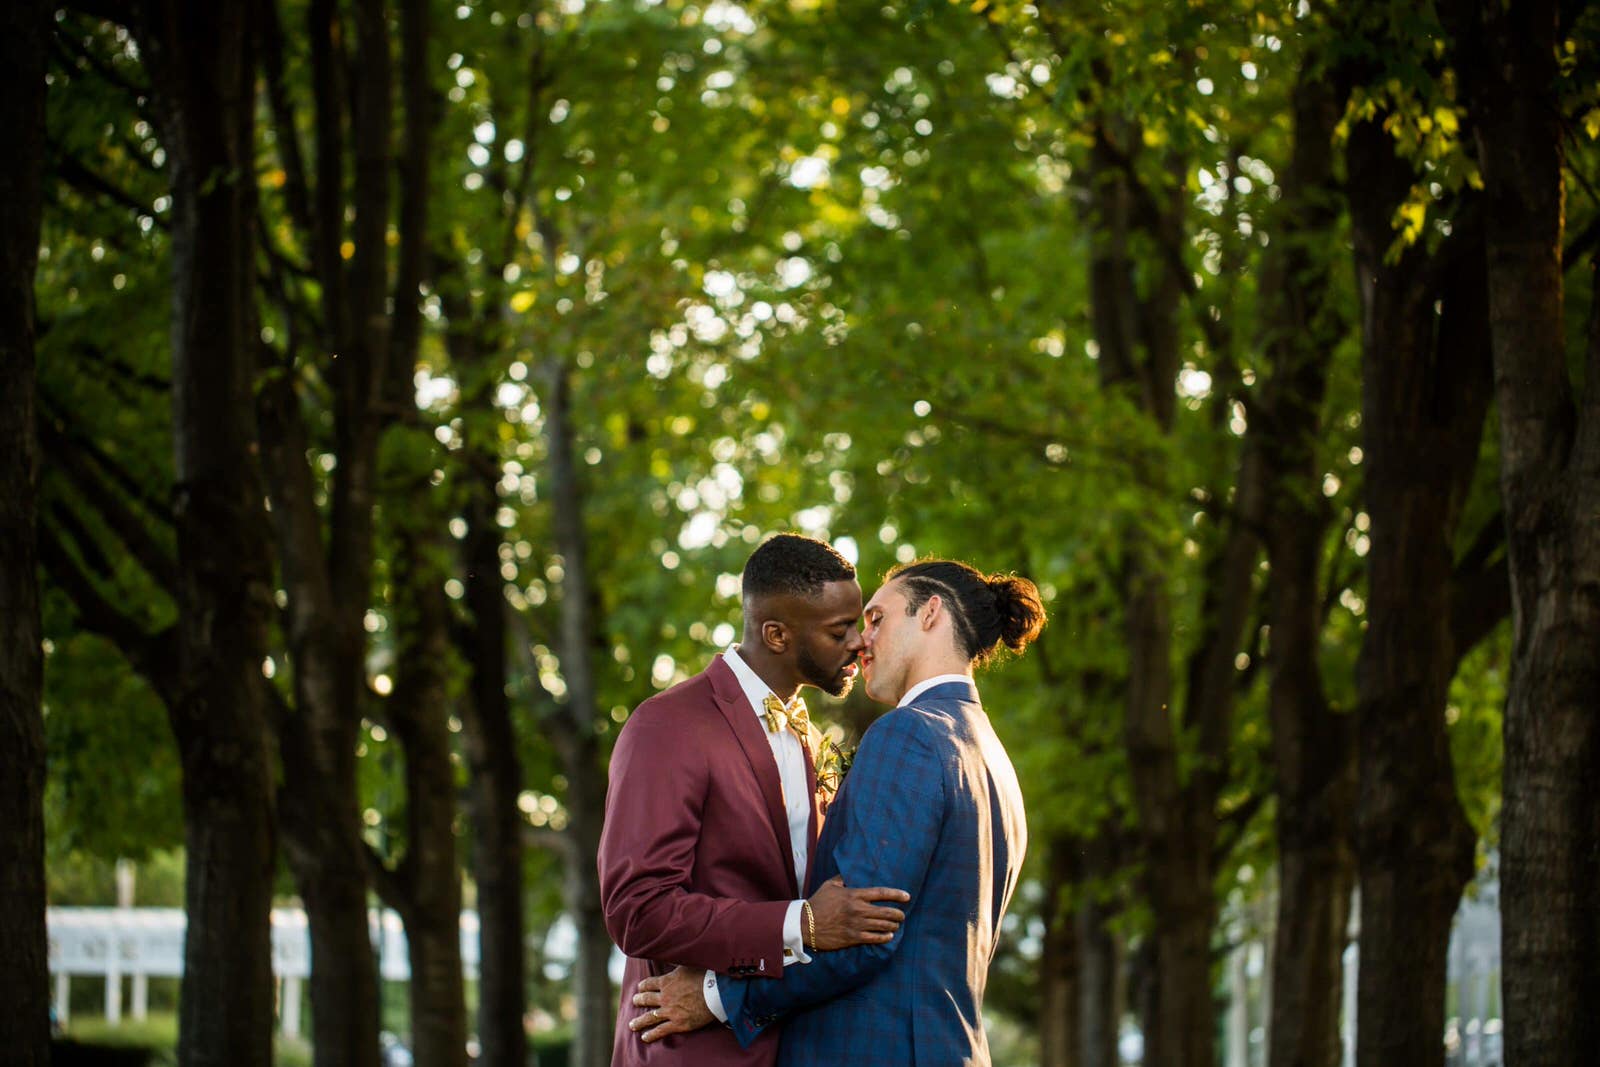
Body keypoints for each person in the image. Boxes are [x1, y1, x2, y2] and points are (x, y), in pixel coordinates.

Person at [627, 558, 1047, 1067]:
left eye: (876, 619)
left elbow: (863, 931)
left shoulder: (908, 734)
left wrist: (716, 997)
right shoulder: (989, 754)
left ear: (931, 613)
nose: (862, 641)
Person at [598, 533, 913, 1066]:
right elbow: (638, 910)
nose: (860, 643)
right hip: (691, 1051)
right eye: (840, 630)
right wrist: (803, 924)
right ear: (776, 634)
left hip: (791, 1045)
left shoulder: (810, 737)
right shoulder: (668, 725)